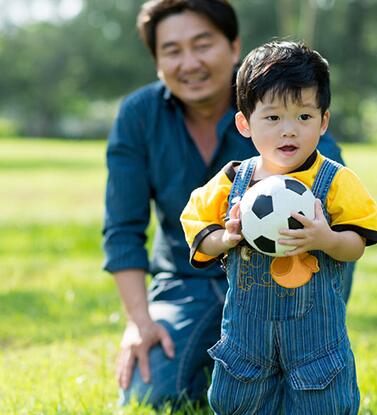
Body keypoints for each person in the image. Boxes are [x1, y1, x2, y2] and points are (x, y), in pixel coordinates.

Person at [103, 0, 352, 408]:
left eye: (202, 44)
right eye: (172, 50)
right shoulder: (139, 115)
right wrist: (139, 321)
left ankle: (305, 348)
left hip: (286, 274)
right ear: (157, 60)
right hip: (187, 282)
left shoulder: (280, 101)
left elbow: (335, 193)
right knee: (153, 391)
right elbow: (123, 229)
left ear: (233, 47)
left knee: (302, 385)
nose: (190, 62)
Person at [181, 41, 377, 414]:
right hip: (246, 340)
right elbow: (196, 224)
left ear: (323, 122)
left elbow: (357, 244)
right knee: (241, 403)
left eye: (303, 117)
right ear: (244, 123)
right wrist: (226, 237)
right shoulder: (233, 181)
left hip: (316, 341)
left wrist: (328, 239)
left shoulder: (335, 181)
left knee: (322, 404)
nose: (289, 131)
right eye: (272, 118)